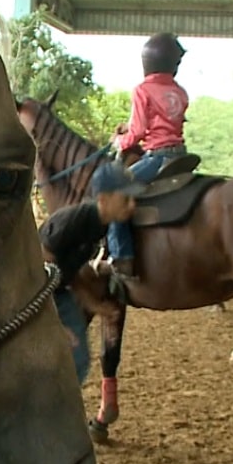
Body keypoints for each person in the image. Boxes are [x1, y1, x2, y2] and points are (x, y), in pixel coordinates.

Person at [39, 162, 144, 383]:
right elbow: (41, 262)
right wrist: (53, 323)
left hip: (58, 289)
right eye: (125, 198)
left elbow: (70, 273)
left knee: (79, 359)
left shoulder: (100, 226)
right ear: (103, 199)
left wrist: (97, 307)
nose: (132, 205)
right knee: (68, 355)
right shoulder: (76, 219)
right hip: (35, 294)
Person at [106, 32, 190, 279]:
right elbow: (162, 124)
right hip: (180, 155)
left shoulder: (143, 89)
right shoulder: (180, 91)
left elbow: (139, 132)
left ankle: (122, 260)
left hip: (158, 157)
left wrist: (119, 141)